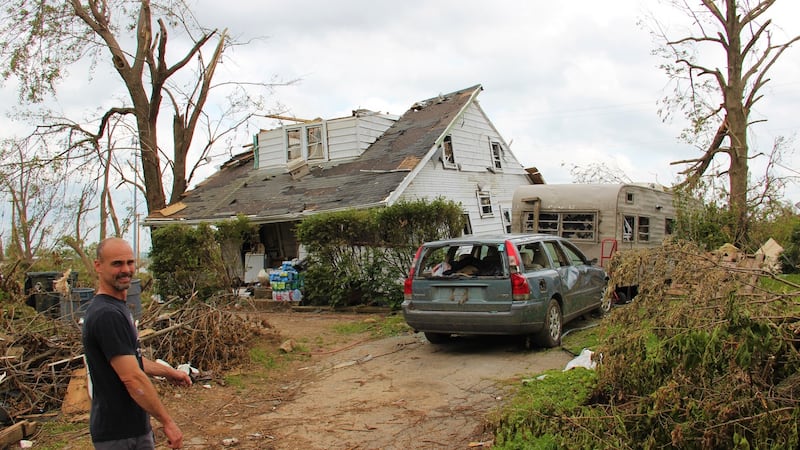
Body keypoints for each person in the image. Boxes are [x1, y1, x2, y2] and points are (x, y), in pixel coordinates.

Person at [82, 237, 192, 449]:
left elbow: (132, 360)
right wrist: (168, 422)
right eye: (117, 264)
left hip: (129, 428)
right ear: (98, 266)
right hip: (120, 434)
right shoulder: (107, 314)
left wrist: (169, 373)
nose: (125, 269)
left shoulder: (116, 307)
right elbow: (132, 377)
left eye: (130, 262)